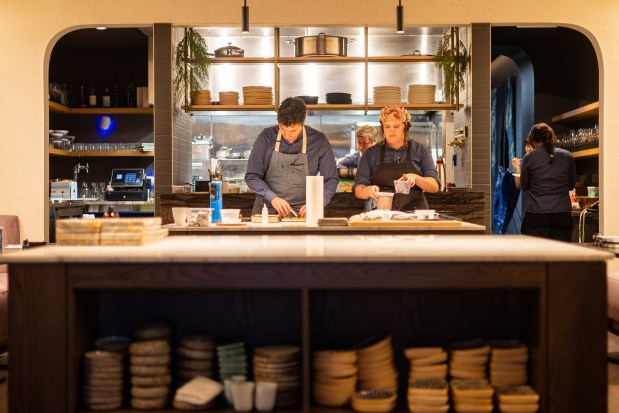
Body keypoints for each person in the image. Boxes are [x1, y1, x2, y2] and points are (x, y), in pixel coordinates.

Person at [245, 97, 338, 217]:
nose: (287, 135)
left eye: (293, 130)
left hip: (304, 213)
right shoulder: (266, 137)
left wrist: (317, 202)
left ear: (303, 121)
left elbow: (331, 179)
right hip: (268, 211)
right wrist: (272, 197)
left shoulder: (319, 141)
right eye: (283, 129)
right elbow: (252, 176)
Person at [352, 105, 440, 211]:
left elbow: (434, 186)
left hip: (414, 215)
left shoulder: (420, 150)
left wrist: (416, 178)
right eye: (387, 127)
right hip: (381, 215)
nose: (391, 131)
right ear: (383, 128)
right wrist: (368, 190)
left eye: (396, 126)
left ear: (405, 127)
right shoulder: (370, 154)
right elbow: (358, 189)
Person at [517, 123, 577, 241]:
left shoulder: (529, 158)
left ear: (532, 141)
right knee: (562, 253)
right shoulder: (567, 155)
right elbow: (571, 185)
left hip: (537, 214)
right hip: (562, 214)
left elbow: (524, 186)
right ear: (551, 138)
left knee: (537, 255)